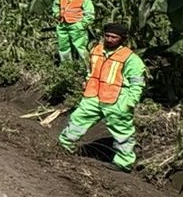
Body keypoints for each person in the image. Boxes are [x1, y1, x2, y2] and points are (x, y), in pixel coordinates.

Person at [58, 23, 146, 171]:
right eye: (107, 36)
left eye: (114, 37)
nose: (110, 39)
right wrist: (86, 83)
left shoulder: (131, 59)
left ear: (122, 39)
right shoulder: (96, 50)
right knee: (77, 119)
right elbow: (91, 70)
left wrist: (130, 102)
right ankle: (64, 146)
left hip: (117, 100)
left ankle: (123, 163)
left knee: (122, 131)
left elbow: (137, 83)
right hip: (93, 95)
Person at [53, 0, 94, 64]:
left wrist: (82, 25)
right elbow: (55, 6)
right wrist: (57, 15)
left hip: (76, 25)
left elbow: (90, 13)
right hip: (63, 25)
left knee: (80, 47)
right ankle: (67, 66)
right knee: (63, 47)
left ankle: (85, 66)